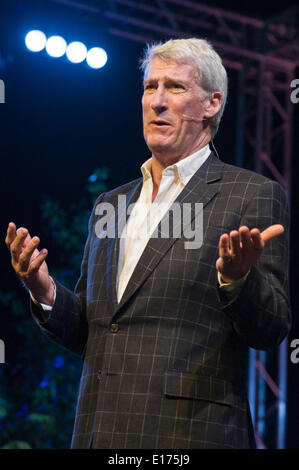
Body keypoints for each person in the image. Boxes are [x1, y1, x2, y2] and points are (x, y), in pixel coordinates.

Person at [5, 38, 291, 449]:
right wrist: (44, 291)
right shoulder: (111, 204)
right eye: (149, 87)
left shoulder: (250, 194)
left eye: (174, 87)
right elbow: (92, 330)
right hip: (98, 432)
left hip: (187, 436)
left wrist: (236, 280)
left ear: (211, 103)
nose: (156, 101)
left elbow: (272, 327)